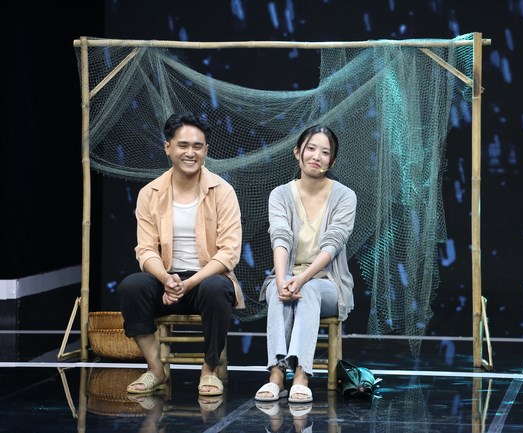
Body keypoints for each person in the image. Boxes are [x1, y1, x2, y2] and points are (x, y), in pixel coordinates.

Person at [118, 112, 244, 396]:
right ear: (168, 147)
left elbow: (229, 252)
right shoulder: (150, 193)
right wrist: (166, 279)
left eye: (198, 146)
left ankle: (209, 370)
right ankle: (155, 369)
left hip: (206, 280)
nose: (190, 153)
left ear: (206, 150)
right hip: (166, 280)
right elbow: (145, 250)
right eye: (183, 145)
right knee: (132, 286)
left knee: (217, 287)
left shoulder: (223, 191)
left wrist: (188, 283)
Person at [255, 124, 357, 404]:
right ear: (297, 152)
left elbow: (333, 244)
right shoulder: (280, 195)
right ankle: (277, 374)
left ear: (332, 161)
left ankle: (301, 374)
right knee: (277, 292)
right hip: (287, 276)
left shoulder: (345, 196)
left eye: (325, 152)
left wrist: (301, 279)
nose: (316, 156)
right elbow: (280, 238)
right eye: (311, 149)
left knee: (309, 290)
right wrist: (281, 280)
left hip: (328, 284)